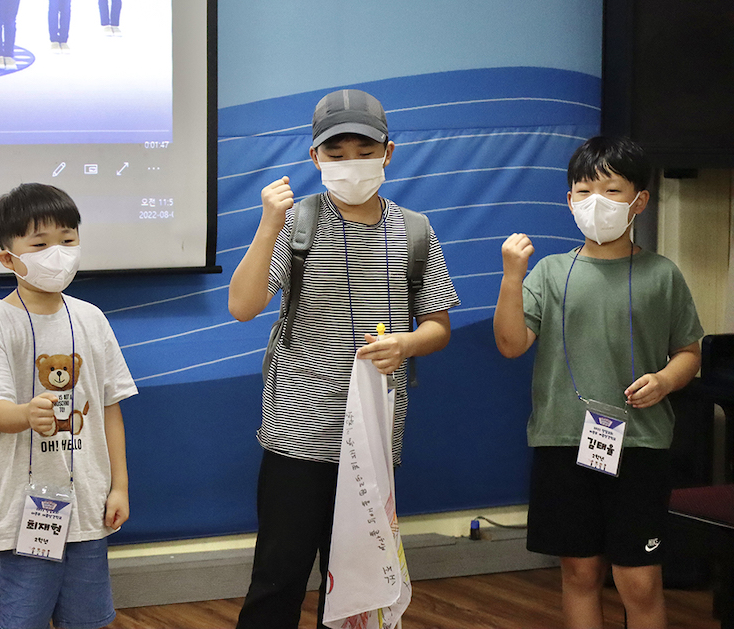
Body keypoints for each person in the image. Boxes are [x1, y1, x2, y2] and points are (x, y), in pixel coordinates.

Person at [228, 88, 459, 629]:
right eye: (336, 153)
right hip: (297, 435)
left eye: (365, 150)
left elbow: (438, 327)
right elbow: (242, 306)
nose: (351, 163)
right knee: (277, 579)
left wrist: (406, 343)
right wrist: (267, 224)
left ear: (388, 153)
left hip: (373, 440)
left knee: (357, 584)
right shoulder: (297, 222)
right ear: (315, 157)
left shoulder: (415, 230)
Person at [493, 135, 703, 629]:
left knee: (639, 580)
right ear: (569, 200)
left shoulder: (662, 274)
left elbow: (689, 353)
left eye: (611, 191)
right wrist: (511, 276)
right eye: (584, 191)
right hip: (562, 440)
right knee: (579, 572)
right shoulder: (550, 272)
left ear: (639, 201)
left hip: (641, 445)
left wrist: (665, 380)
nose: (596, 203)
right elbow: (510, 344)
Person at [0, 183, 136, 629]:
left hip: (89, 505)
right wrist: (25, 414)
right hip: (23, 510)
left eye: (67, 240)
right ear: (8, 258)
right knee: (23, 618)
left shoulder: (91, 318)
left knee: (89, 619)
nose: (57, 253)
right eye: (40, 245)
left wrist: (119, 486)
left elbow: (110, 407)